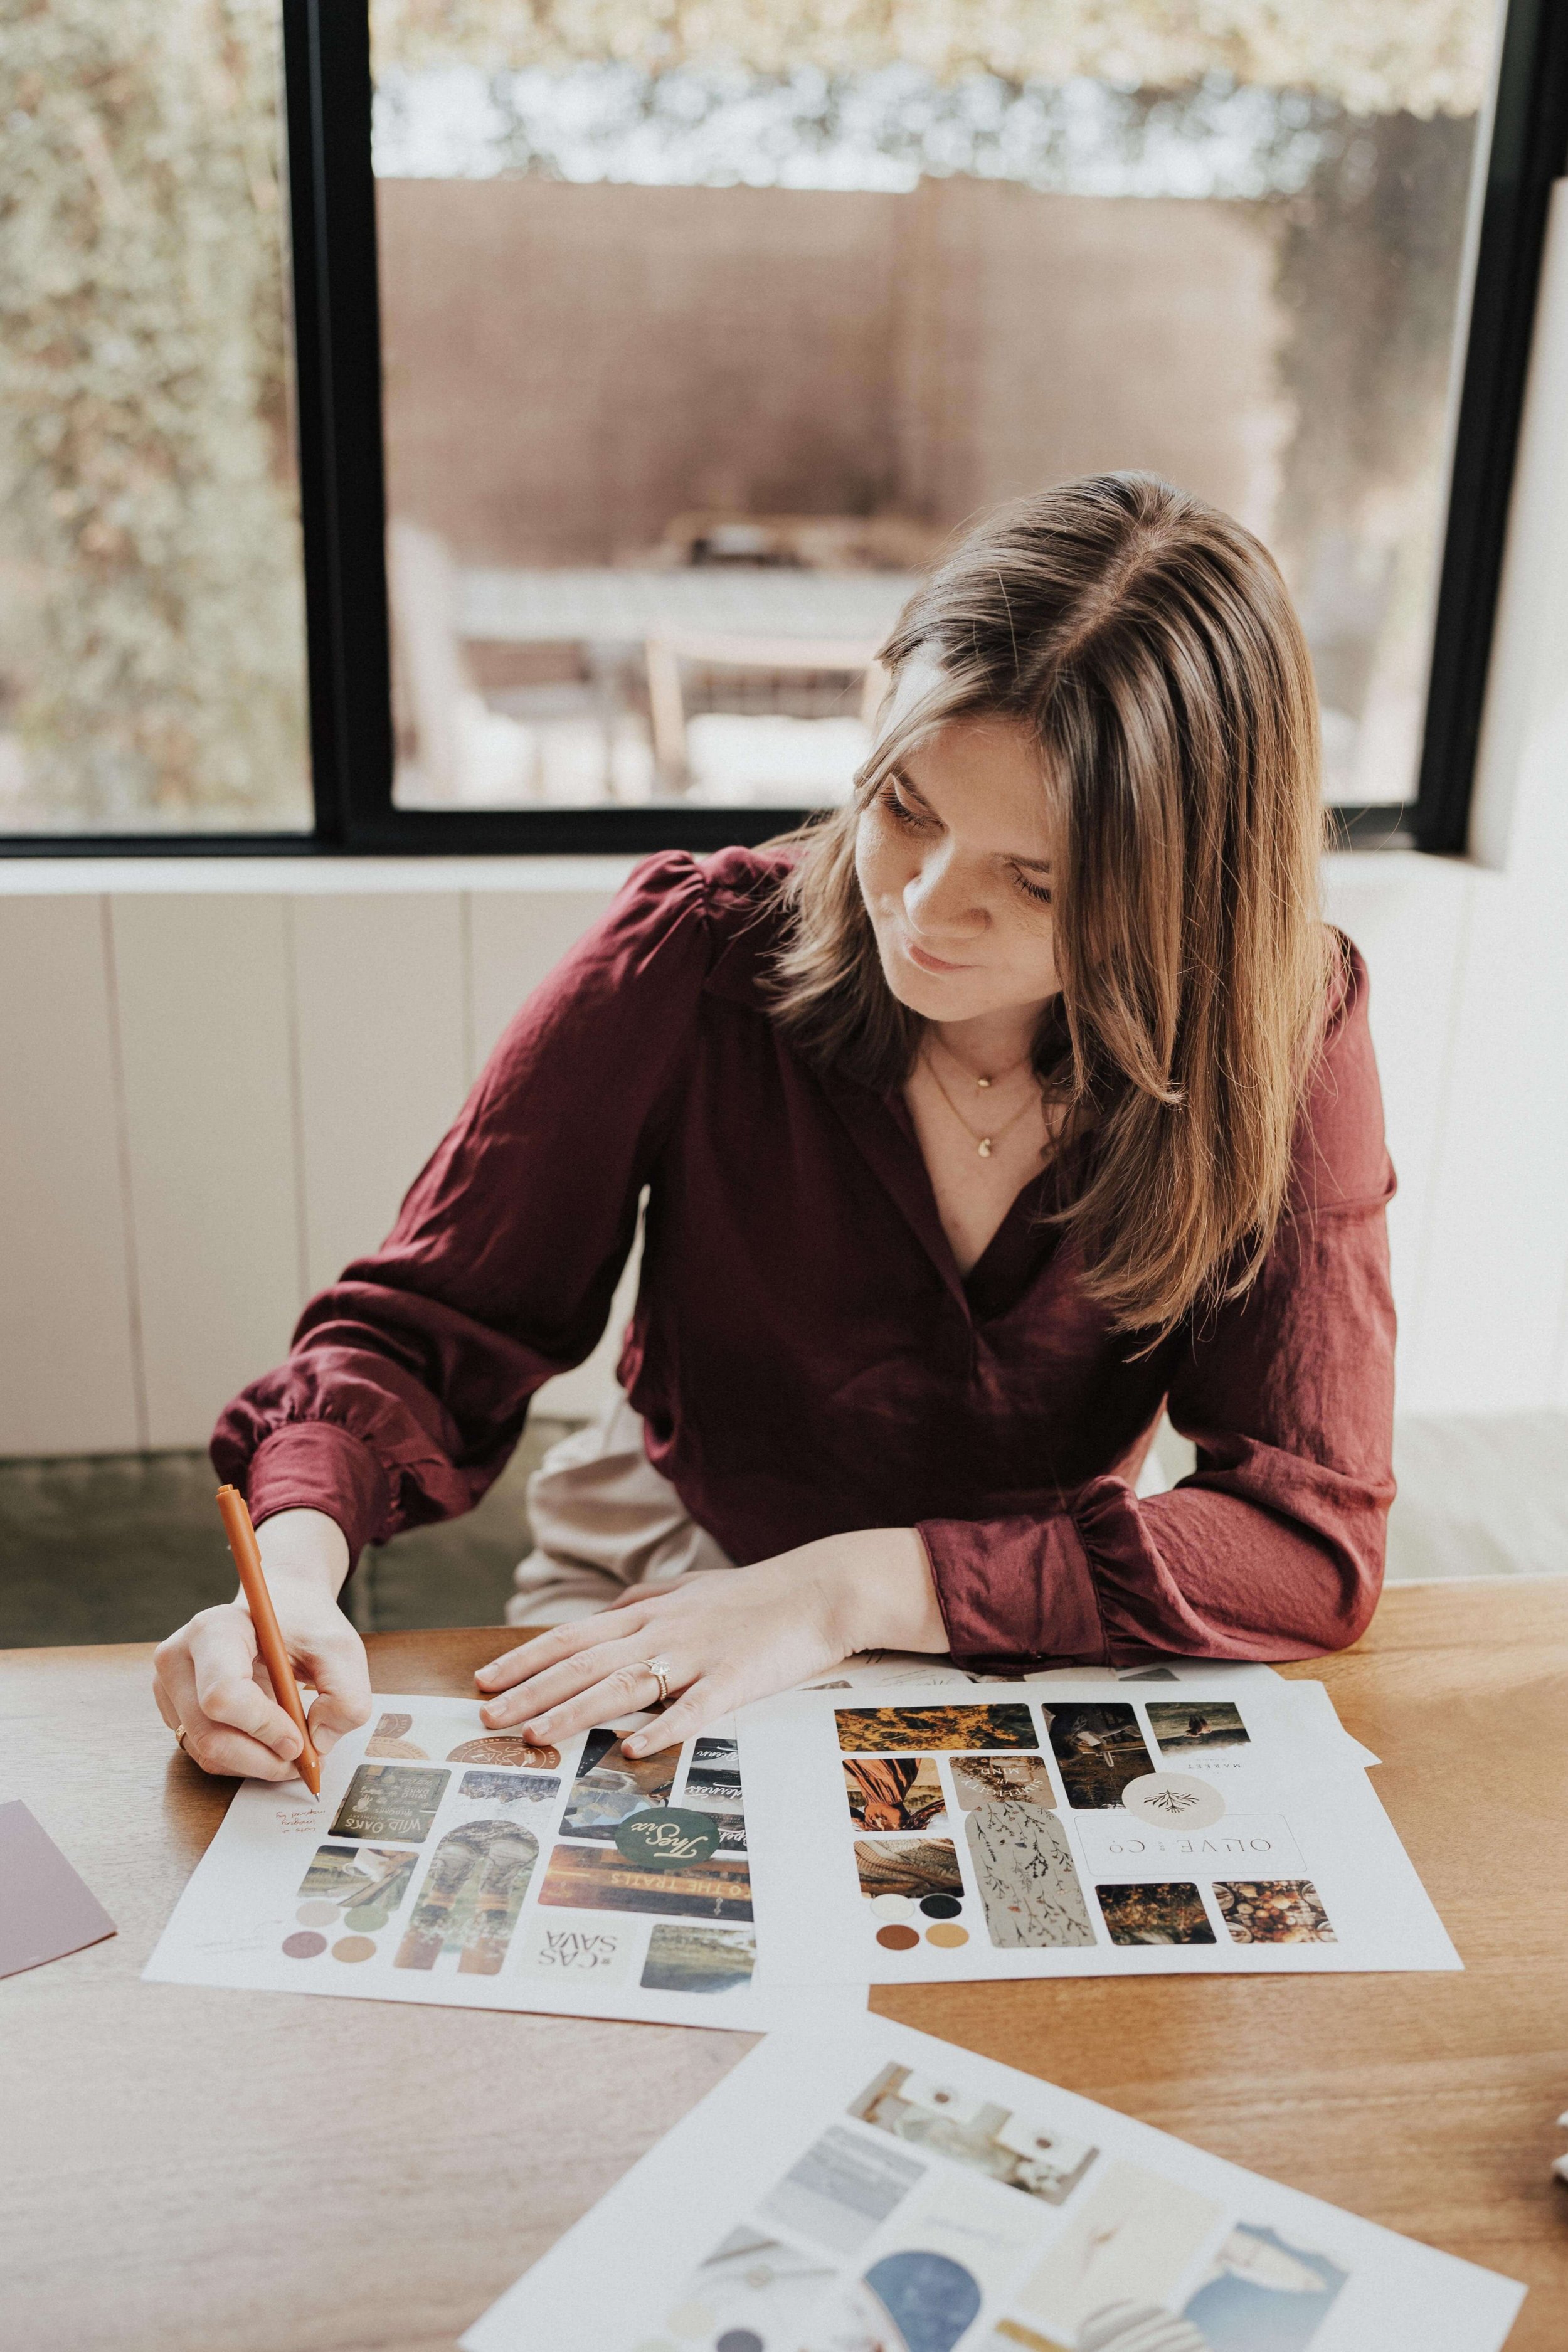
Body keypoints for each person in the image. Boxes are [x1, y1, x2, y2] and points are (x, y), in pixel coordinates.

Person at [152, 472, 1395, 1784]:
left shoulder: (1282, 1027)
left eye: (1032, 881)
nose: (921, 904)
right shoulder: (695, 955)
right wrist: (288, 1575)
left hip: (1030, 1598)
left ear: (1186, 893)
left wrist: (847, 1591)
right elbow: (423, 1331)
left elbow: (1307, 1542)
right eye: (903, 806)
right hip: (674, 1552)